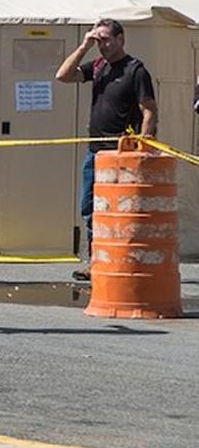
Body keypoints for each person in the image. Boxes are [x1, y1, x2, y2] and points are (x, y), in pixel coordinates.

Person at [55, 18, 157, 282]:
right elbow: (63, 76)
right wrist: (84, 46)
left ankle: (121, 259)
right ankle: (96, 260)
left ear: (121, 39)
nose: (102, 45)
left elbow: (149, 110)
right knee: (90, 207)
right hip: (96, 152)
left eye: (106, 40)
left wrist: (144, 146)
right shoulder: (99, 66)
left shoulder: (135, 70)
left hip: (122, 152)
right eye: (98, 41)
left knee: (119, 209)